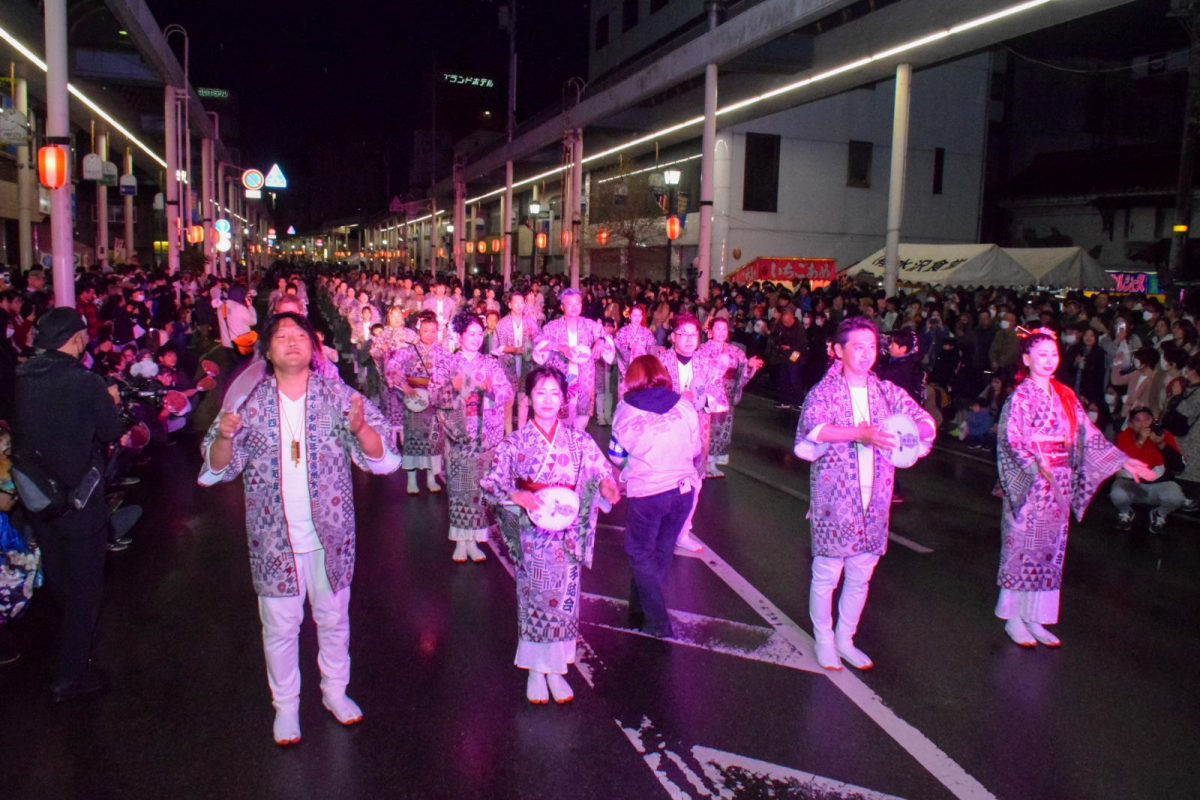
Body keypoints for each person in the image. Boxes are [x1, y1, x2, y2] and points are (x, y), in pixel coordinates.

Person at [198, 312, 400, 745]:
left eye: (300, 336)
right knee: (280, 627)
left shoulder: (337, 394)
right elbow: (216, 469)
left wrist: (361, 428)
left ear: (314, 346)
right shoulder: (247, 402)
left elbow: (383, 459)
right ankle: (286, 706)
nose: (292, 342)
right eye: (281, 337)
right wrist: (224, 437)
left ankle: (334, 692)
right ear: (267, 351)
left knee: (333, 620)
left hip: (331, 538)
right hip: (274, 540)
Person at [996, 329, 1154, 648]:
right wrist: (1033, 466)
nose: (1048, 360)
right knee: (1023, 549)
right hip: (1032, 485)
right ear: (1026, 359)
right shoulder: (1020, 396)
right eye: (1041, 354)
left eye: (1053, 354)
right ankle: (1014, 618)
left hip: (1059, 484)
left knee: (1050, 553)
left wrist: (1125, 462)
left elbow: (1090, 437)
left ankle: (1037, 617)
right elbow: (1010, 439)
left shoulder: (1066, 395)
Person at [793, 317, 936, 671]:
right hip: (835, 498)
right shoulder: (824, 391)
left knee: (861, 571)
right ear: (839, 350)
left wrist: (908, 428)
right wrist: (861, 434)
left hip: (876, 497)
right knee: (827, 571)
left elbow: (926, 421)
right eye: (858, 346)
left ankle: (846, 638)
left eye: (872, 347)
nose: (866, 354)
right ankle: (824, 639)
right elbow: (815, 429)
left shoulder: (886, 391)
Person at [482, 366, 620, 704]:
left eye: (554, 394)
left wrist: (606, 484)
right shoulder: (515, 442)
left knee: (566, 603)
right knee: (534, 600)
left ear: (563, 400)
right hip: (532, 533)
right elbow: (491, 481)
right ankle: (533, 669)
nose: (547, 400)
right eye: (540, 392)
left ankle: (557, 669)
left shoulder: (579, 440)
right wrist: (514, 495)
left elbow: (601, 470)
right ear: (528, 398)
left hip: (568, 532)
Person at [13, 307, 127, 701]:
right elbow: (111, 430)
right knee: (85, 590)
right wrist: (109, 400)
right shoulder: (84, 381)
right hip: (79, 501)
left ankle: (69, 650)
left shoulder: (21, 376)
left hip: (39, 499)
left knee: (60, 578)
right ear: (77, 338)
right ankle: (71, 675)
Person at [608, 355, 702, 638]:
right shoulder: (684, 406)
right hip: (684, 491)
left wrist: (631, 467)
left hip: (648, 493)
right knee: (660, 552)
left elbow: (616, 455)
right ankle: (639, 610)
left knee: (639, 553)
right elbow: (696, 448)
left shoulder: (625, 409)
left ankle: (658, 622)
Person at [431, 312, 514, 562]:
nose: (477, 338)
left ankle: (476, 539)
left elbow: (507, 391)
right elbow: (434, 395)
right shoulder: (447, 363)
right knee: (459, 487)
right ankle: (460, 540)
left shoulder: (490, 363)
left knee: (480, 488)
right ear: (460, 336)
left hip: (486, 435)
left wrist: (491, 390)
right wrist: (452, 387)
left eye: (480, 334)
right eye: (472, 334)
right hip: (459, 434)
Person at [654, 313, 720, 552]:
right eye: (684, 335)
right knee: (666, 482)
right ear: (673, 337)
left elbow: (719, 398)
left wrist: (700, 399)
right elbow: (650, 393)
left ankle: (683, 531)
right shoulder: (660, 362)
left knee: (695, 482)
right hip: (667, 431)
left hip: (698, 430)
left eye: (694, 335)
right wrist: (677, 398)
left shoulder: (706, 364)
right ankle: (662, 529)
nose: (690, 339)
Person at [532, 288, 615, 430]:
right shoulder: (553, 327)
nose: (574, 307)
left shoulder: (590, 325)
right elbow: (538, 345)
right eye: (570, 304)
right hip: (560, 379)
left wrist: (601, 341)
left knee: (581, 420)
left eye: (578, 303)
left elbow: (607, 338)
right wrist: (558, 346)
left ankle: (576, 446)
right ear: (562, 306)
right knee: (558, 421)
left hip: (585, 380)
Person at [385, 311, 447, 495]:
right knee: (412, 440)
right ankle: (411, 479)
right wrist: (404, 387)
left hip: (434, 400)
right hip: (413, 399)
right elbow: (392, 366)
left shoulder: (443, 353)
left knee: (433, 440)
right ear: (418, 331)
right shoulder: (408, 351)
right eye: (426, 330)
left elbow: (452, 373)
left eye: (433, 331)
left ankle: (431, 477)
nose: (429, 334)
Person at [697, 317, 763, 478]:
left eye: (724, 329)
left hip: (727, 393)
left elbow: (742, 369)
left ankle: (713, 462)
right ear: (711, 332)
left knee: (722, 428)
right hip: (710, 393)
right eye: (717, 329)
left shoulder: (736, 351)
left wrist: (749, 365)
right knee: (707, 428)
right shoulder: (703, 349)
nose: (721, 332)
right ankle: (703, 463)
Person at [1110, 407, 1188, 533]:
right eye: (1138, 420)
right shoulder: (1124, 436)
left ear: (1153, 421)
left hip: (1159, 483)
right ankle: (1125, 511)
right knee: (1117, 494)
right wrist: (1140, 441)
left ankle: (1159, 514)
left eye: (1147, 419)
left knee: (1176, 497)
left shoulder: (1164, 435)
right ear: (1131, 423)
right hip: (1132, 484)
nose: (1143, 424)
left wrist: (1161, 444)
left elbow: (1179, 466)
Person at [493, 292, 539, 434]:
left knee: (524, 399)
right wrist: (513, 349)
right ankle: (507, 432)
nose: (519, 306)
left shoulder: (530, 322)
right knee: (508, 400)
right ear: (510, 304)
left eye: (521, 302)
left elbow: (538, 342)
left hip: (526, 364)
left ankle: (521, 431)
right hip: (508, 364)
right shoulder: (502, 323)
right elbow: (496, 348)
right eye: (516, 302)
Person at [613, 304, 656, 400]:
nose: (637, 318)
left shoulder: (647, 332)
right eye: (634, 315)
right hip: (626, 369)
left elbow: (651, 350)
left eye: (639, 315)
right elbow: (618, 349)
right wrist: (627, 347)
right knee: (625, 397)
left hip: (642, 369)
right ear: (629, 316)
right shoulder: (622, 331)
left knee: (641, 397)